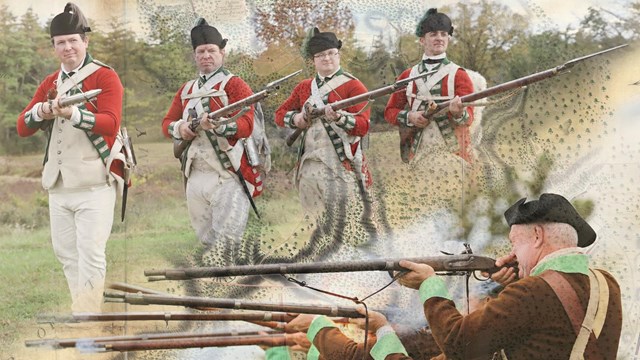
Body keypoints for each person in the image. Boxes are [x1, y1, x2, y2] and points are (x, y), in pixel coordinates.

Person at [392, 193, 623, 359]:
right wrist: (519, 279)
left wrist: (430, 285)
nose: (511, 254)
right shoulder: (607, 283)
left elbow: (458, 345)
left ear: (537, 235)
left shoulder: (531, 292)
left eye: (514, 243)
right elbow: (554, 322)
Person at [16, 3, 124, 312]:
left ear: (85, 42)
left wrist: (73, 113)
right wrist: (41, 110)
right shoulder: (50, 83)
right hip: (58, 185)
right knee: (67, 255)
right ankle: (84, 313)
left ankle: (87, 319)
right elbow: (23, 127)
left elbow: (110, 123)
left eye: (73, 40)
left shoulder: (105, 76)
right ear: (54, 47)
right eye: (61, 42)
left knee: (90, 254)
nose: (68, 47)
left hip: (95, 183)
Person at [161, 18, 262, 251]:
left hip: (227, 174)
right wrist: (182, 128)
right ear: (195, 55)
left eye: (211, 50)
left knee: (227, 244)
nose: (206, 55)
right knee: (206, 241)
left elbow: (246, 125)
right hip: (195, 175)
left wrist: (218, 126)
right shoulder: (187, 90)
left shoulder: (235, 84)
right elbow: (166, 124)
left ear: (222, 53)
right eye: (201, 51)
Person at [274, 27, 372, 219]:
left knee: (347, 225)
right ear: (313, 60)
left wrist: (339, 118)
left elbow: (363, 126)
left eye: (331, 53)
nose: (327, 58)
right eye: (320, 55)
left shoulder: (353, 85)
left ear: (338, 54)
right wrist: (297, 119)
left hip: (341, 167)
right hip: (308, 165)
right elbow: (279, 114)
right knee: (315, 227)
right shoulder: (304, 87)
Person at [384, 8, 475, 164]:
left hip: (455, 155)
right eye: (433, 34)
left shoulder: (459, 74)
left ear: (448, 38)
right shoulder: (407, 76)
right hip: (418, 153)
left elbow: (469, 119)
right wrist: (409, 116)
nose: (439, 38)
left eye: (443, 34)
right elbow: (390, 112)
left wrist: (458, 113)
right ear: (422, 40)